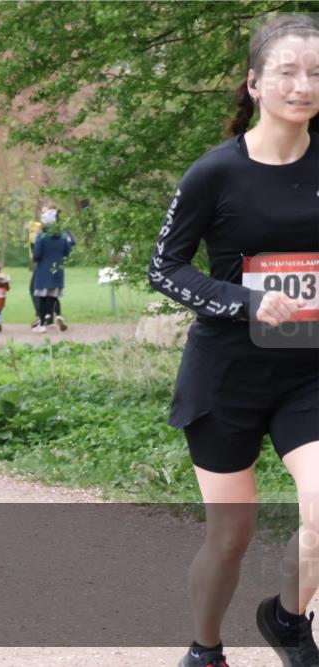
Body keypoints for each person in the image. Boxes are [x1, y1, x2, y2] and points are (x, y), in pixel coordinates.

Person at [148, 15, 319, 667]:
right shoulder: (215, 172)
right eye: (287, 71)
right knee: (231, 536)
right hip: (227, 374)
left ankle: (287, 617)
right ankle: (206, 647)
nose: (303, 85)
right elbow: (165, 267)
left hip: (309, 370)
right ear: (254, 83)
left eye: (317, 73)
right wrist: (246, 301)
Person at [31, 209, 72, 333]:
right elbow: (67, 252)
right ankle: (53, 316)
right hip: (57, 270)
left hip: (43, 269)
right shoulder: (63, 236)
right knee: (53, 297)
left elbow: (37, 255)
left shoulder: (42, 236)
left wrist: (35, 258)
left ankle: (42, 324)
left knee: (41, 298)